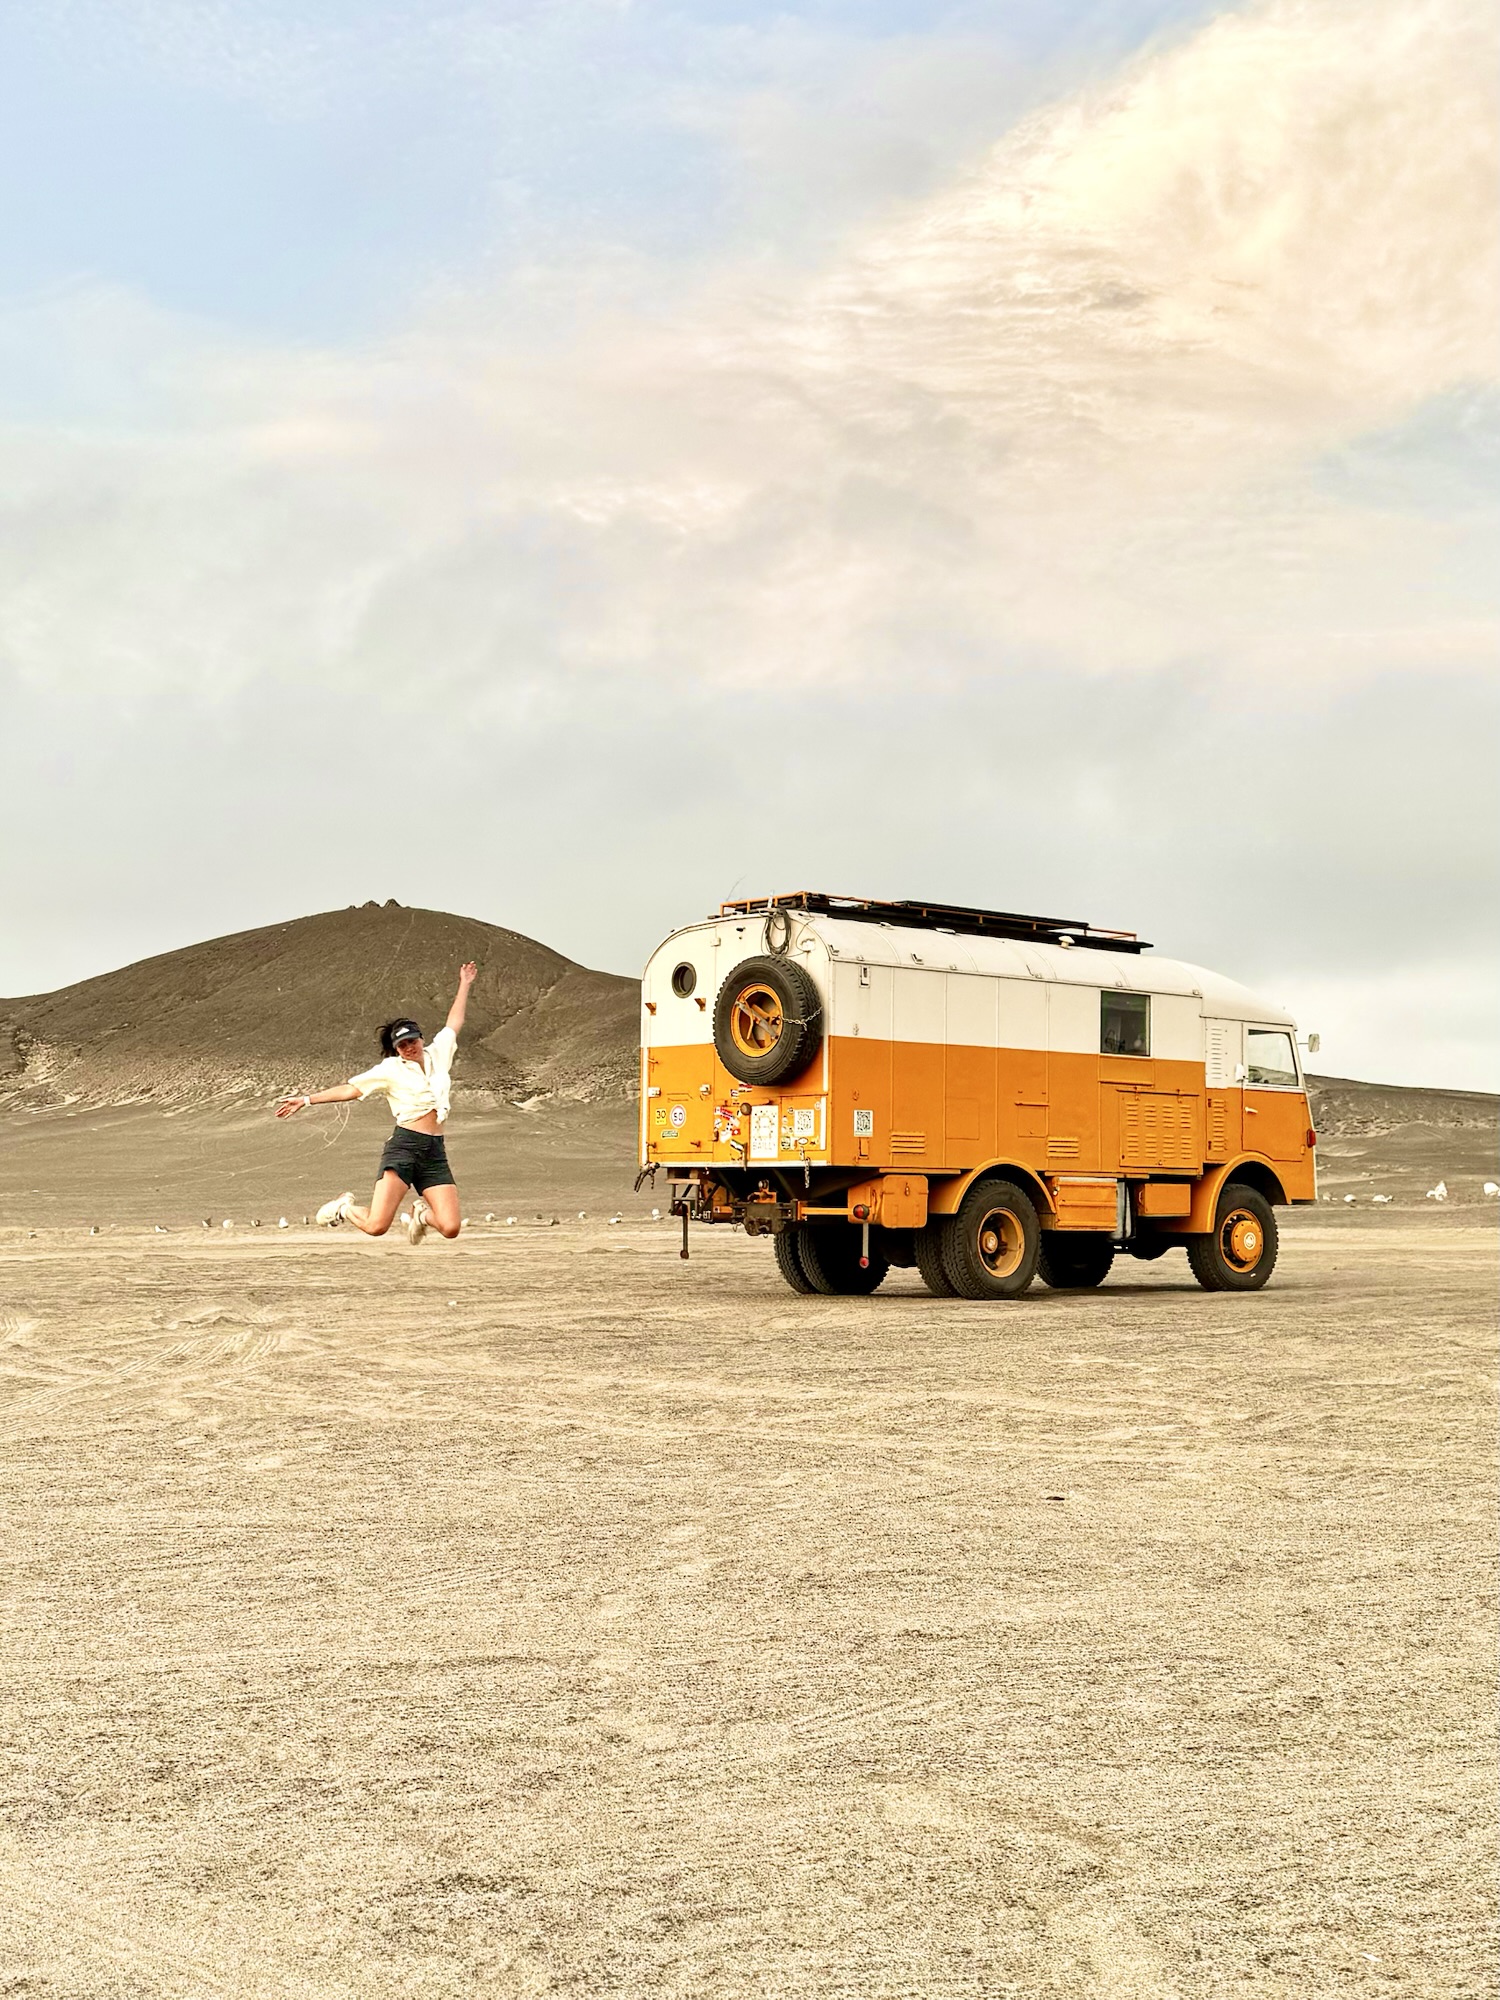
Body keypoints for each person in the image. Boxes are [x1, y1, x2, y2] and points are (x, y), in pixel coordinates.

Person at [276, 961, 478, 1245]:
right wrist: (307, 1100)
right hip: (405, 1148)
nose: (409, 1047)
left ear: (421, 1038)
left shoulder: (439, 1053)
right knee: (376, 1226)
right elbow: (351, 1089)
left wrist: (464, 983)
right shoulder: (390, 1069)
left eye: (412, 1041)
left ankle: (420, 1215)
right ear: (396, 1049)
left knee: (451, 1227)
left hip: (434, 1151)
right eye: (402, 1045)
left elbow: (454, 1023)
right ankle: (343, 1207)